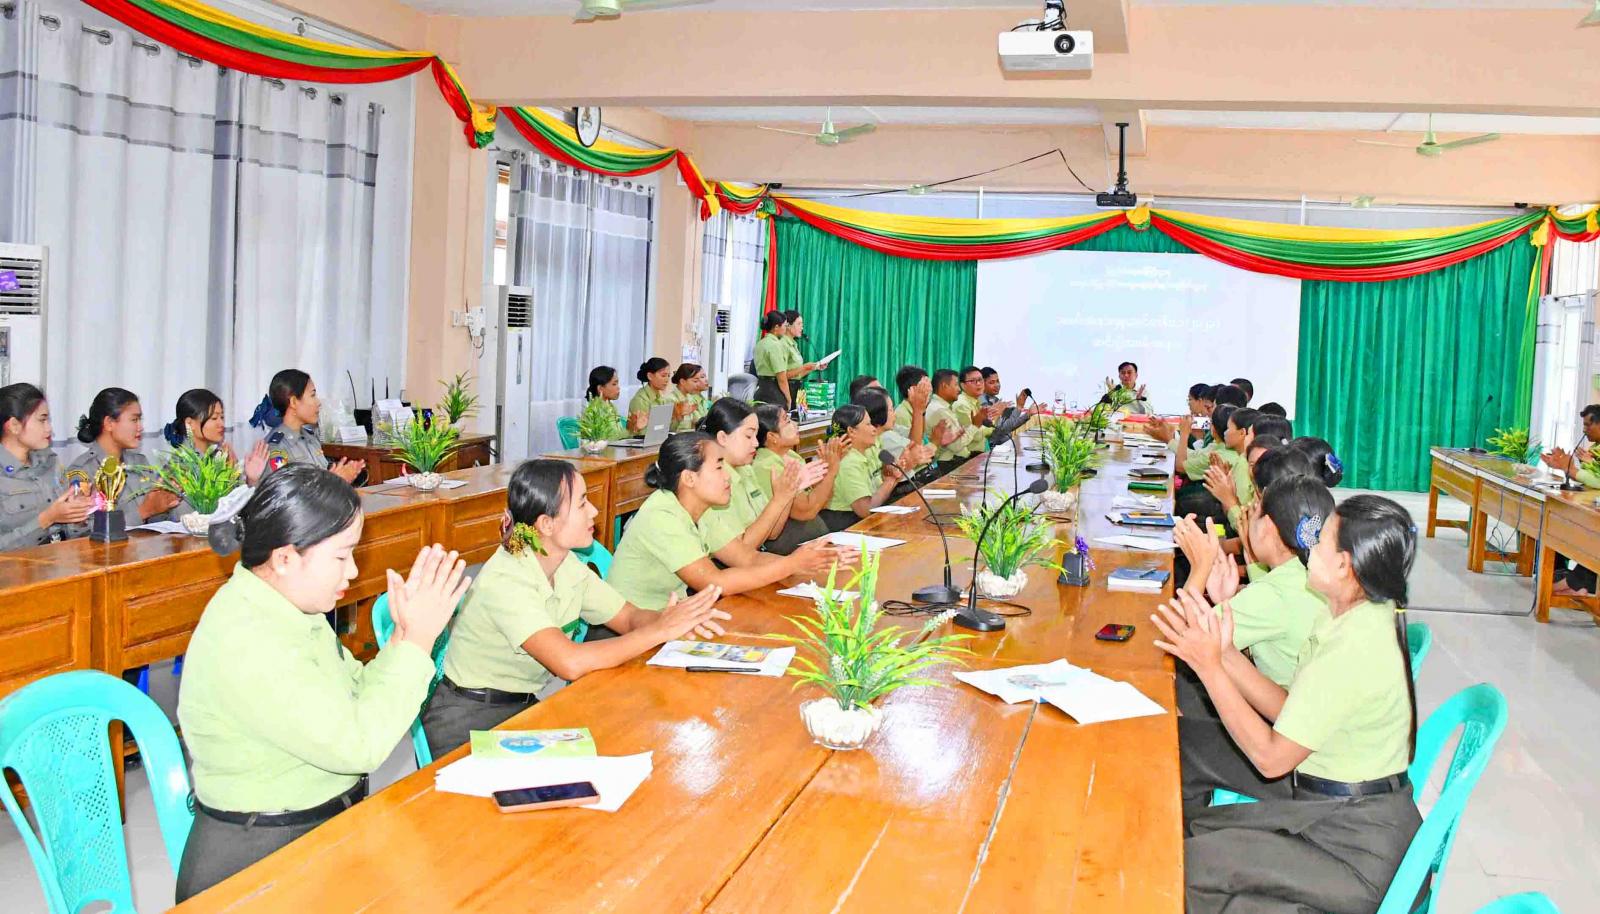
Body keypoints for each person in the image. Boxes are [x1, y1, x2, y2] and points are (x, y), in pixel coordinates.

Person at [174, 465, 471, 900]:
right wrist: (419, 641)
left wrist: (404, 639)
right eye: (341, 556)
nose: (353, 571)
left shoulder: (288, 607)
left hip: (317, 833)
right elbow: (359, 745)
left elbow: (358, 690)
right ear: (285, 558)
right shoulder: (250, 639)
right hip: (259, 865)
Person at [1151, 494, 1421, 914]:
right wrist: (1223, 652)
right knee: (1199, 836)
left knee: (1186, 867)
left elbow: (1271, 759)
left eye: (1322, 541)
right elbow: (1290, 711)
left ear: (1345, 565)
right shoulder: (1349, 613)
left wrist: (1210, 668)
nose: (1309, 546)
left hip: (1355, 848)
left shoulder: (1353, 649)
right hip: (1333, 811)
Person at [422, 460, 729, 758]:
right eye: (582, 503)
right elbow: (568, 662)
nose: (593, 511)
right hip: (469, 721)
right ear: (547, 524)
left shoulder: (565, 563)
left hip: (520, 707)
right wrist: (659, 631)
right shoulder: (507, 579)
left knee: (622, 741)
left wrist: (671, 619)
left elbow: (628, 617)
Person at [607, 432, 852, 611]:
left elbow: (747, 558)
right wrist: (791, 565)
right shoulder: (662, 515)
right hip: (631, 625)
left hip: (671, 616)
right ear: (689, 478)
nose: (727, 477)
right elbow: (715, 583)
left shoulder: (702, 508)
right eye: (718, 468)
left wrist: (812, 561)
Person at [696, 398, 824, 552]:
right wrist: (780, 498)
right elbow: (743, 551)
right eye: (748, 436)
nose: (756, 443)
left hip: (756, 555)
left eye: (756, 436)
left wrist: (786, 494)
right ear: (723, 438)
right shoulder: (712, 482)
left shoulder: (746, 470)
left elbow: (772, 533)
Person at [63, 387, 181, 529]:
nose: (140, 427)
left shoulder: (140, 462)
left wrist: (165, 502)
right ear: (109, 423)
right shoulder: (83, 470)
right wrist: (143, 512)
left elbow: (155, 522)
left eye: (140, 420)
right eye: (134, 420)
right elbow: (79, 531)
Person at [0, 382, 92, 550]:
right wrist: (46, 520)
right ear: (14, 425)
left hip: (61, 559)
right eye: (42, 420)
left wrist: (78, 514)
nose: (49, 429)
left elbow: (73, 533)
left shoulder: (50, 462)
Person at [750, 403, 842, 553]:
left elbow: (822, 503)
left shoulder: (792, 456)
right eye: (787, 421)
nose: (795, 424)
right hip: (787, 548)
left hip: (814, 537)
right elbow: (806, 511)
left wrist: (826, 472)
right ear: (772, 436)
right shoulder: (767, 466)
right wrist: (831, 472)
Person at [820, 402, 926, 531]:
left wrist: (894, 473)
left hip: (863, 520)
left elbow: (878, 491)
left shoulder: (864, 453)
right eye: (868, 424)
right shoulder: (848, 463)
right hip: (846, 524)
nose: (874, 429)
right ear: (851, 431)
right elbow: (865, 510)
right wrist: (891, 480)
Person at [249, 370, 364, 485]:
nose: (318, 402)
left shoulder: (310, 438)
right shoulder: (276, 448)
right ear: (294, 402)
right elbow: (283, 493)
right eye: (313, 395)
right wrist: (334, 482)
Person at [1541, 403, 1600, 594]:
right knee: (1559, 525)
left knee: (1593, 540)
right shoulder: (1595, 448)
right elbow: (1591, 478)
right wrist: (1565, 467)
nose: (1584, 430)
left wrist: (1571, 469)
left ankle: (1572, 583)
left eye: (1588, 425)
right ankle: (1569, 581)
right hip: (1592, 505)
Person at [165, 388, 268, 487]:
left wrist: (251, 479)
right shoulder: (179, 466)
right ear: (190, 423)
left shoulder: (220, 456)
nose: (221, 424)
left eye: (222, 417)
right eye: (214, 418)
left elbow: (240, 496)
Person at [928, 369, 980, 473]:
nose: (959, 389)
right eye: (956, 385)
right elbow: (957, 446)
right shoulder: (940, 411)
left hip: (954, 462)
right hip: (949, 465)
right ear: (944, 386)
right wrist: (975, 425)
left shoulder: (943, 408)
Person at [627, 358, 675, 433]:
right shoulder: (640, 400)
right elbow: (641, 433)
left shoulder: (661, 397)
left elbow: (665, 427)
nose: (667, 379)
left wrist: (678, 416)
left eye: (668, 376)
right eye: (663, 376)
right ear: (650, 376)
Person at [957, 366, 1004, 437]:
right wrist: (996, 416)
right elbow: (975, 435)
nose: (978, 383)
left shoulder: (977, 402)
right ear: (963, 385)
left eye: (980, 380)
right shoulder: (962, 405)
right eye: (973, 381)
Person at [667, 363, 711, 432]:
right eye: (695, 381)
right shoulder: (670, 399)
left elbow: (698, 423)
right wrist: (679, 416)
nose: (696, 385)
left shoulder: (690, 398)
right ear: (682, 382)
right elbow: (667, 430)